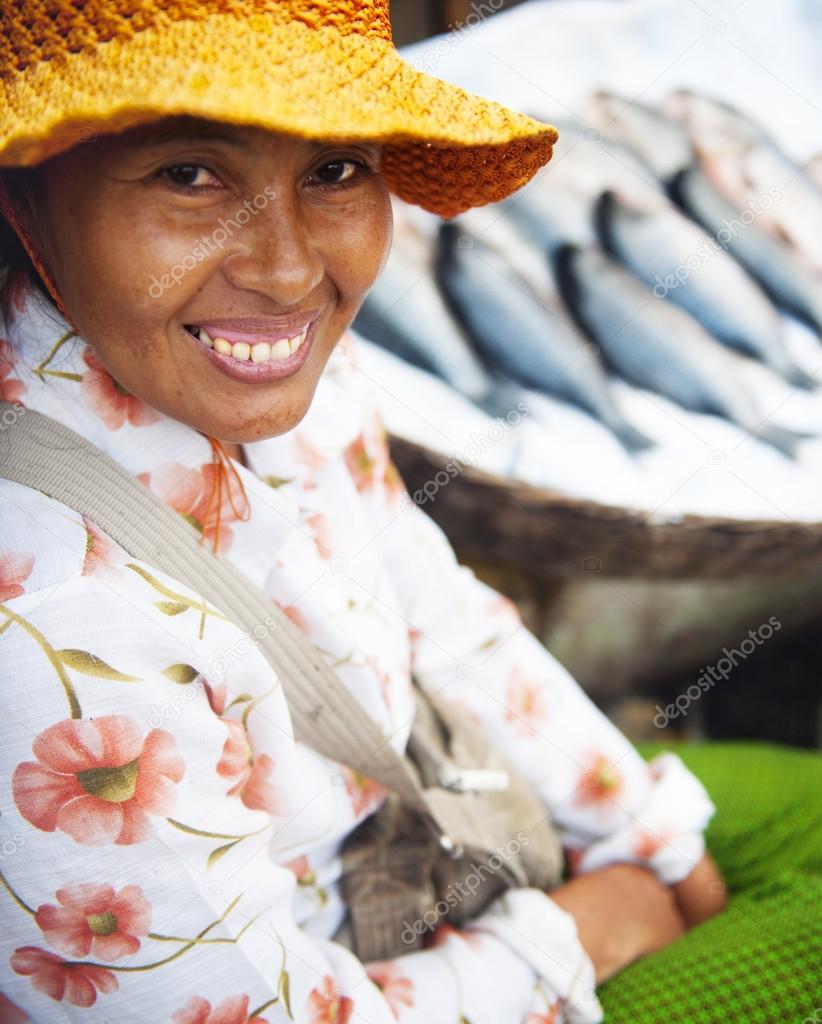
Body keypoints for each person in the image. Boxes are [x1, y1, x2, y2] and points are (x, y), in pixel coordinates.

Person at [0, 3, 818, 1023]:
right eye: (189, 174)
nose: (291, 271)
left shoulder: (270, 375)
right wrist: (585, 929)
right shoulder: (46, 637)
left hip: (429, 822)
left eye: (335, 168)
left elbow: (438, 610)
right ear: (26, 196)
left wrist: (650, 837)